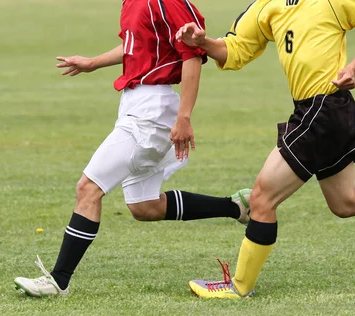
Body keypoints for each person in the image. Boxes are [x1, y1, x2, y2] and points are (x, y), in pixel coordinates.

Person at [175, 0, 355, 298]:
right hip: (322, 110)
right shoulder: (267, 5)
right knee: (345, 203)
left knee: (261, 199)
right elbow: (237, 49)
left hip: (324, 107)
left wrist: (353, 67)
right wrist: (203, 42)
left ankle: (238, 287)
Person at [13, 0, 253, 297]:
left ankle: (58, 280)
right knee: (144, 207)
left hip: (150, 113)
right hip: (136, 106)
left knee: (88, 188)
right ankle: (237, 207)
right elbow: (136, 47)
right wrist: (92, 62)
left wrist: (184, 118)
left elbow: (192, 55)